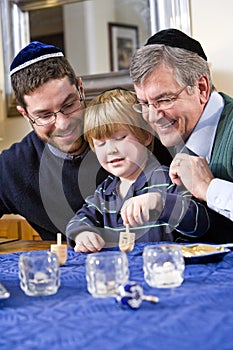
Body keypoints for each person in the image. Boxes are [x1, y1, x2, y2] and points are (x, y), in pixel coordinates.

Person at [65, 88, 209, 253]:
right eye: (100, 144)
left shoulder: (167, 178)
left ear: (146, 136)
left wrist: (160, 202)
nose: (110, 150)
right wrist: (83, 234)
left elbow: (200, 222)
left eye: (120, 138)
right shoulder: (105, 191)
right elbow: (78, 221)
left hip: (163, 271)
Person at [129, 28, 233, 243]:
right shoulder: (159, 142)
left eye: (164, 99)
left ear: (202, 88)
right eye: (144, 103)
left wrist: (208, 187)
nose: (153, 116)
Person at [0, 41, 108, 240]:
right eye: (44, 115)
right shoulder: (12, 168)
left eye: (69, 105)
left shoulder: (128, 133)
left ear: (81, 90)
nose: (63, 123)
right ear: (25, 115)